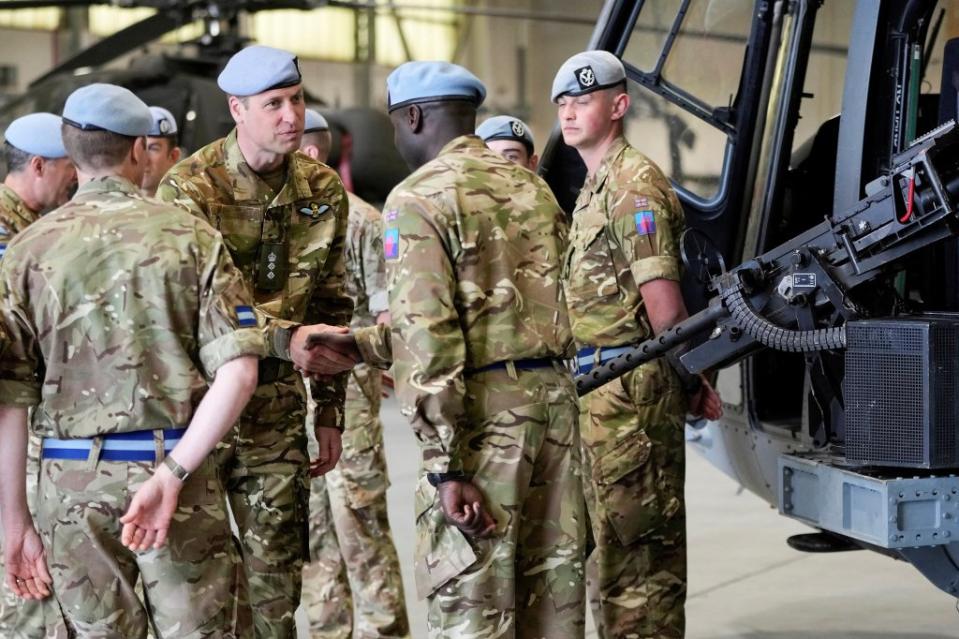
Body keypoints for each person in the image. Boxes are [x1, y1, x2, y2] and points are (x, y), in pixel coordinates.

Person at [0, 82, 264, 638]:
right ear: (141, 148)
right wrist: (173, 474)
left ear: (69, 152)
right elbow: (239, 372)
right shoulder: (193, 237)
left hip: (68, 486)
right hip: (175, 474)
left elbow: (9, 401)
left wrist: (14, 520)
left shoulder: (26, 252)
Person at [372, 60, 585, 638]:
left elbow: (428, 336)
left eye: (396, 123)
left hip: (483, 420)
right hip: (556, 411)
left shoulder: (417, 199)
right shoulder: (531, 188)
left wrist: (445, 467)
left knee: (472, 605)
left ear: (413, 116)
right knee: (553, 602)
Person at [156, 45, 357, 637]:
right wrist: (284, 339)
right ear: (237, 109)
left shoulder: (321, 187)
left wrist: (331, 411)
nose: (292, 115)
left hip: (275, 415)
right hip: (199, 414)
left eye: (296, 99)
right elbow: (202, 309)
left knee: (276, 592)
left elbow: (331, 306)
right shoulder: (190, 188)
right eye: (274, 104)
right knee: (200, 595)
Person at [552, 50, 722, 638]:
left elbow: (666, 309)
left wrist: (689, 380)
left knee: (641, 568)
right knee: (614, 562)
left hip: (630, 394)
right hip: (602, 394)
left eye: (583, 100)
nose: (569, 113)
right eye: (563, 103)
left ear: (618, 105)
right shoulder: (594, 185)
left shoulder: (632, 183)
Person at [298, 109, 410, 638]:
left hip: (352, 410)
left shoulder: (361, 222)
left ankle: (383, 630)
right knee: (314, 539)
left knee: (360, 530)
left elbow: (392, 324)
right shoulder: (282, 227)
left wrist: (357, 354)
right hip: (292, 408)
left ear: (310, 155)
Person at [0, 111, 75, 639]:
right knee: (24, 587)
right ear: (39, 165)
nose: (76, 180)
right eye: (70, 169)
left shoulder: (33, 225)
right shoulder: (8, 235)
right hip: (12, 427)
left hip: (30, 426)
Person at [140, 106, 181, 197]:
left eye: (153, 149)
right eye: (140, 147)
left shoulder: (187, 206)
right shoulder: (113, 204)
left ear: (173, 156)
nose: (144, 160)